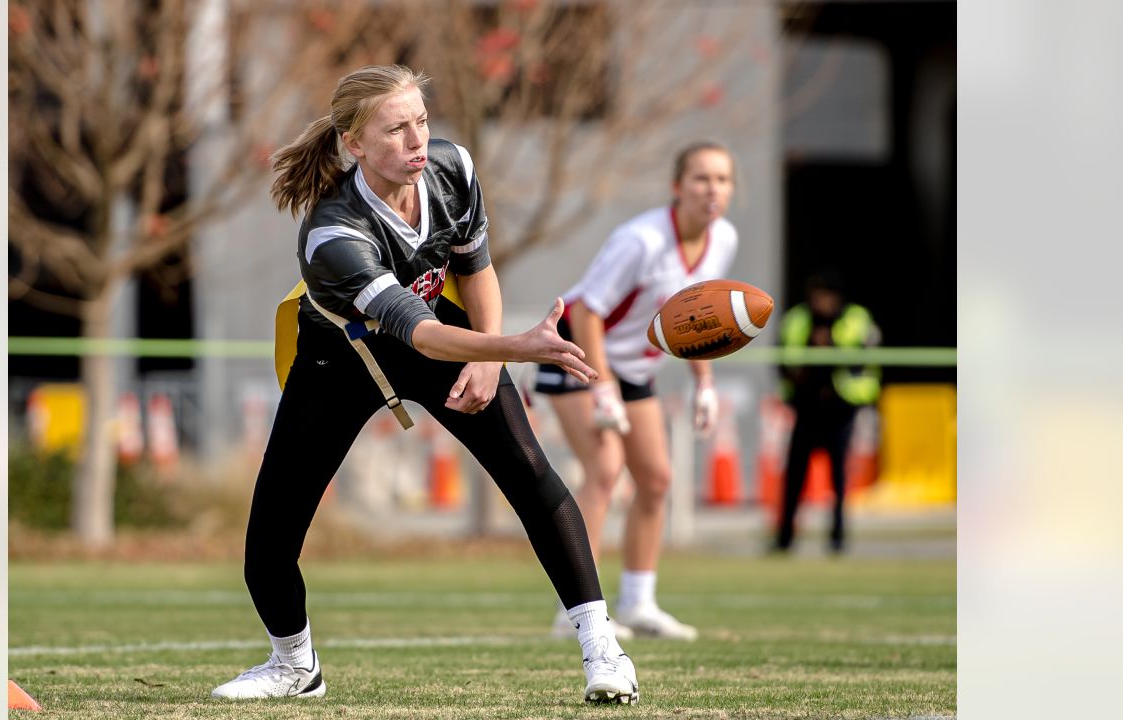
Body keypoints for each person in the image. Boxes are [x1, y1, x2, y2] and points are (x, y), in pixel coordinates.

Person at [210, 65, 638, 705]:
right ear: (354, 144)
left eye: (422, 120)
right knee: (267, 545)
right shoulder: (333, 232)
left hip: (448, 336)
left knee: (531, 474)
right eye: (395, 129)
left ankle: (604, 650)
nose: (417, 139)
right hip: (342, 359)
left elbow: (476, 270)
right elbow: (420, 335)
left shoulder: (452, 167)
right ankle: (295, 666)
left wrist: (491, 359)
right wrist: (514, 345)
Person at [534, 143, 740, 641]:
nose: (712, 190)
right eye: (700, 178)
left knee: (656, 479)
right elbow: (588, 312)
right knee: (604, 471)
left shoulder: (723, 239)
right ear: (677, 186)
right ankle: (576, 610)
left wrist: (705, 383)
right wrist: (603, 389)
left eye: (722, 179)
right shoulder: (642, 239)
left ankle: (639, 602)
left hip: (631, 368)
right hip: (576, 354)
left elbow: (702, 317)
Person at [773, 269, 881, 553]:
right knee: (795, 476)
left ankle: (838, 538)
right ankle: (784, 538)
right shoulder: (798, 319)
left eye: (825, 296)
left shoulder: (856, 319)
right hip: (807, 407)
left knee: (839, 479)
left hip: (840, 409)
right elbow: (782, 359)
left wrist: (831, 346)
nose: (820, 301)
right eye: (816, 295)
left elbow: (866, 358)